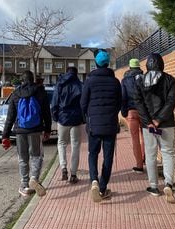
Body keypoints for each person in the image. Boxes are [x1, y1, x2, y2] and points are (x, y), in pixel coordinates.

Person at [134, 52, 175, 202]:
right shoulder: (170, 80)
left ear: (147, 65)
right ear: (161, 64)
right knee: (168, 152)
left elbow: (139, 104)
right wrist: (159, 119)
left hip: (148, 126)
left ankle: (153, 186)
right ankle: (168, 183)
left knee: (151, 154)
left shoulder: (140, 81)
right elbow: (171, 101)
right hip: (167, 123)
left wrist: (149, 122)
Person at [2, 70, 52, 197]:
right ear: (33, 79)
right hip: (35, 130)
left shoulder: (16, 94)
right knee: (37, 156)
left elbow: (10, 117)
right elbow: (47, 113)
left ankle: (24, 185)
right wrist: (47, 130)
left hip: (20, 131)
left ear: (22, 80)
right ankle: (34, 178)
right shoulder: (40, 92)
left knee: (23, 158)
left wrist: (5, 136)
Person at [80, 49, 122, 202]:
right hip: (110, 125)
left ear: (96, 64)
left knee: (93, 153)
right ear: (108, 64)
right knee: (108, 156)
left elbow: (83, 103)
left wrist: (87, 117)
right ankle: (103, 188)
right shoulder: (115, 82)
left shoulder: (89, 81)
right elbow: (119, 103)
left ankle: (94, 181)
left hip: (94, 125)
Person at [51, 67, 85, 184]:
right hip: (76, 119)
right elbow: (84, 103)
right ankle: (73, 174)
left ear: (66, 72)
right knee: (75, 146)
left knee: (61, 143)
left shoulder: (60, 83)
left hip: (63, 117)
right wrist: (83, 118)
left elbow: (54, 102)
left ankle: (63, 167)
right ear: (76, 73)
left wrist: (56, 117)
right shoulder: (80, 85)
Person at [121, 58, 145, 173]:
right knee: (145, 137)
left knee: (135, 139)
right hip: (144, 112)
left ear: (130, 67)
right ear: (139, 67)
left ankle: (139, 165)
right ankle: (145, 158)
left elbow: (123, 97)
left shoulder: (125, 80)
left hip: (132, 112)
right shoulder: (144, 77)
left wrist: (124, 112)